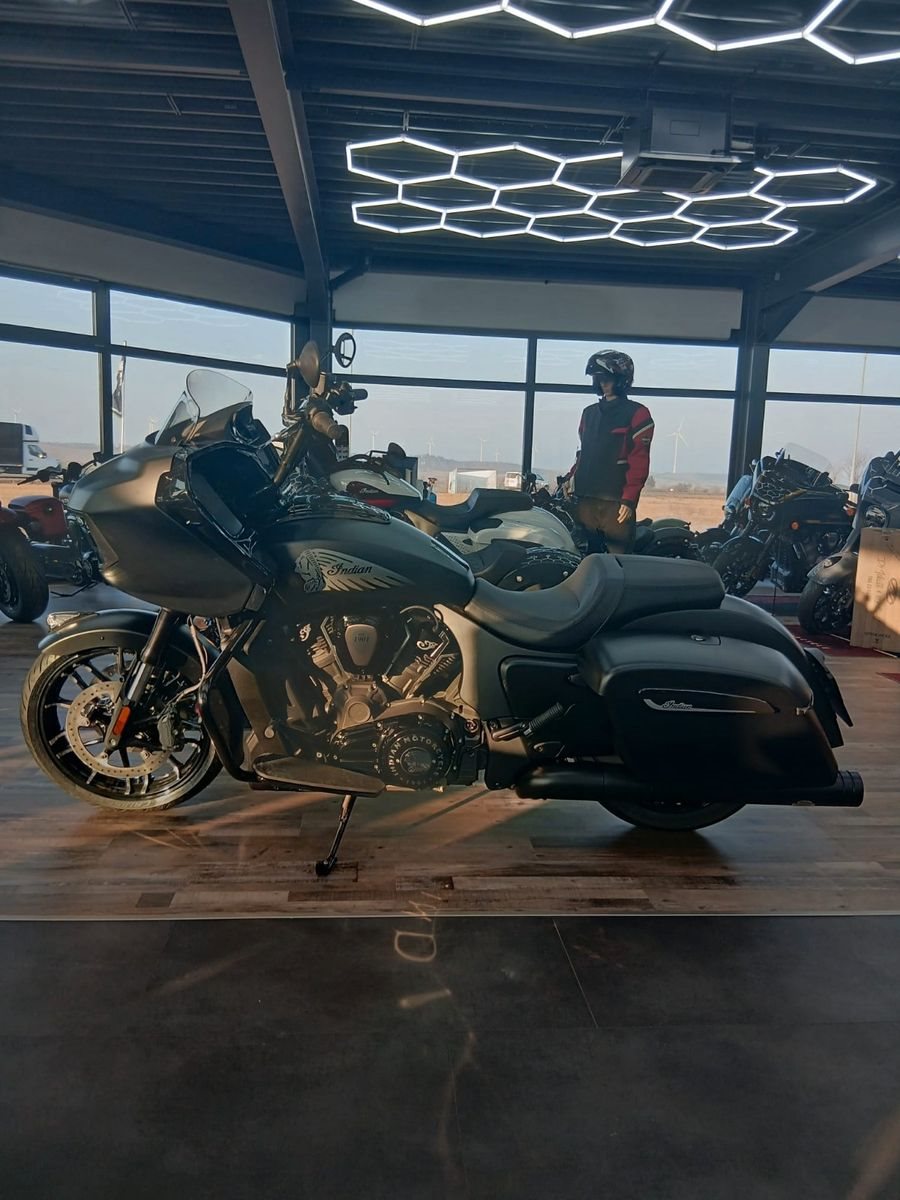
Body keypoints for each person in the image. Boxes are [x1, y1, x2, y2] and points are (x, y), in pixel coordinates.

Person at [564, 349, 654, 554]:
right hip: (585, 499)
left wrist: (629, 499)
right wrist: (570, 478)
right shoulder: (588, 414)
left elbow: (639, 460)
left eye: (607, 378)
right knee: (587, 560)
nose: (602, 383)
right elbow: (584, 453)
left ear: (622, 380)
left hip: (615, 503)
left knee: (618, 563)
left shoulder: (638, 413)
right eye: (598, 378)